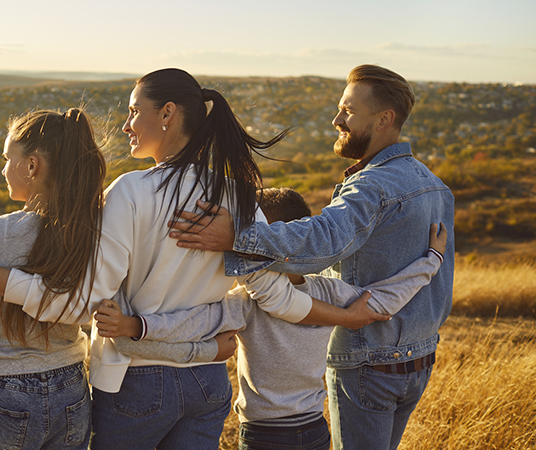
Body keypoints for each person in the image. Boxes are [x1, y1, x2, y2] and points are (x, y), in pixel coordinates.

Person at [0, 68, 388, 450]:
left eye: (134, 111)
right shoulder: (236, 195)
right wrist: (347, 317)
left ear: (168, 113)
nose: (125, 125)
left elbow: (81, 305)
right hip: (208, 381)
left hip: (134, 382)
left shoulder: (129, 193)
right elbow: (275, 294)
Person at [167, 65, 455, 450]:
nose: (337, 120)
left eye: (349, 112)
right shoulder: (434, 185)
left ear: (385, 119)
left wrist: (239, 235)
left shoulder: (373, 186)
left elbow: (322, 242)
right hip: (418, 361)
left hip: (370, 362)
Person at [96, 187, 448, 450]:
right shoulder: (329, 293)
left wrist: (136, 325)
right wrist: (430, 261)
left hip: (264, 433)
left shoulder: (249, 302)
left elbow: (194, 322)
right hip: (314, 428)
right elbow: (386, 299)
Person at [0, 108, 110, 450]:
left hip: (7, 394)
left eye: (7, 158)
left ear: (31, 166)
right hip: (72, 390)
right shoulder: (90, 228)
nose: (3, 169)